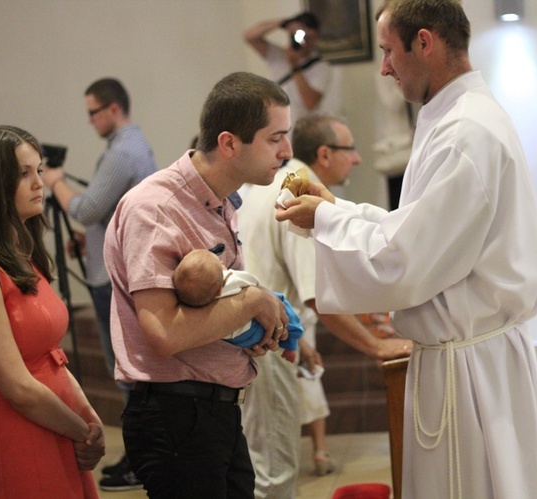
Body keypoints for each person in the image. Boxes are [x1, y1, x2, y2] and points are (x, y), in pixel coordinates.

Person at [276, 1, 537, 498]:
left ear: (424, 43)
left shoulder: (465, 134)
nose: (384, 67)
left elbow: (406, 262)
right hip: (469, 362)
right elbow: (414, 233)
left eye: (389, 51)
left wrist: (325, 218)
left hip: (471, 376)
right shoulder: (455, 118)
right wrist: (334, 211)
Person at [104, 71, 293, 498]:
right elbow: (164, 334)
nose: (287, 150)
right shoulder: (156, 208)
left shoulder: (219, 202)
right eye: (275, 138)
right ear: (229, 143)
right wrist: (251, 302)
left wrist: (247, 336)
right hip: (176, 415)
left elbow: (206, 311)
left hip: (211, 411)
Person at [238, 114, 412, 496]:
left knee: (265, 464)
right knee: (275, 473)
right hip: (264, 345)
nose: (358, 159)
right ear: (325, 154)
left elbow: (270, 275)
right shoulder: (297, 195)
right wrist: (376, 345)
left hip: (264, 337)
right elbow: (319, 297)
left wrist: (302, 341)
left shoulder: (276, 185)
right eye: (350, 149)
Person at [0, 125, 104, 498]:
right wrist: (81, 430)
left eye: (39, 171)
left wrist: (88, 416)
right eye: (23, 174)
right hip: (15, 431)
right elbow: (16, 386)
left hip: (56, 422)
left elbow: (51, 357)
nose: (38, 183)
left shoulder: (22, 256)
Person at [42, 77, 156, 491]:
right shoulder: (128, 146)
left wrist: (53, 180)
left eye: (93, 111)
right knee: (127, 372)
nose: (89, 120)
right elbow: (112, 215)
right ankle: (140, 455)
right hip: (114, 271)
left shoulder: (123, 150)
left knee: (127, 373)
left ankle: (141, 459)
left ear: (113, 109)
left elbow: (89, 208)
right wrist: (85, 242)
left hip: (114, 279)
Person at [173, 248, 303, 362]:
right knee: (277, 299)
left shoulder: (195, 302)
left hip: (238, 339)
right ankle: (292, 342)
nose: (223, 264)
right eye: (219, 265)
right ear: (219, 289)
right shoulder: (231, 279)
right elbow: (255, 284)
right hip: (256, 329)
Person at [243, 11, 340, 127]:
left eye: (311, 37)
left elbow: (310, 102)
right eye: (303, 36)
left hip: (302, 132)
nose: (306, 42)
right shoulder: (278, 55)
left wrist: (294, 66)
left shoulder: (321, 67)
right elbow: (249, 36)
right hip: (276, 128)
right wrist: (284, 23)